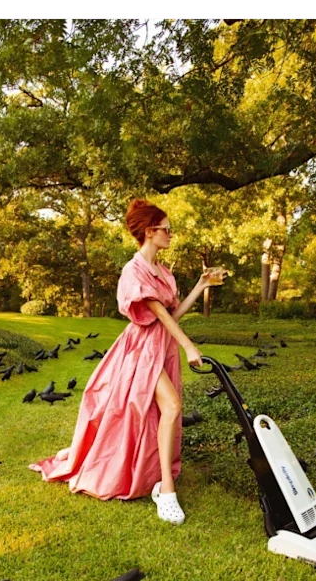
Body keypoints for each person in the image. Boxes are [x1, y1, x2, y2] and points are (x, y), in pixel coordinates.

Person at [29, 198, 211, 523]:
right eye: (167, 230)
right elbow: (158, 316)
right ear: (150, 231)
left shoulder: (163, 272)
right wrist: (189, 347)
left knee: (156, 412)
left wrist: (200, 285)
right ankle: (165, 490)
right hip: (141, 350)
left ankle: (83, 455)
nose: (171, 235)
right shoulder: (134, 270)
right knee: (170, 407)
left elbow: (174, 315)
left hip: (161, 346)